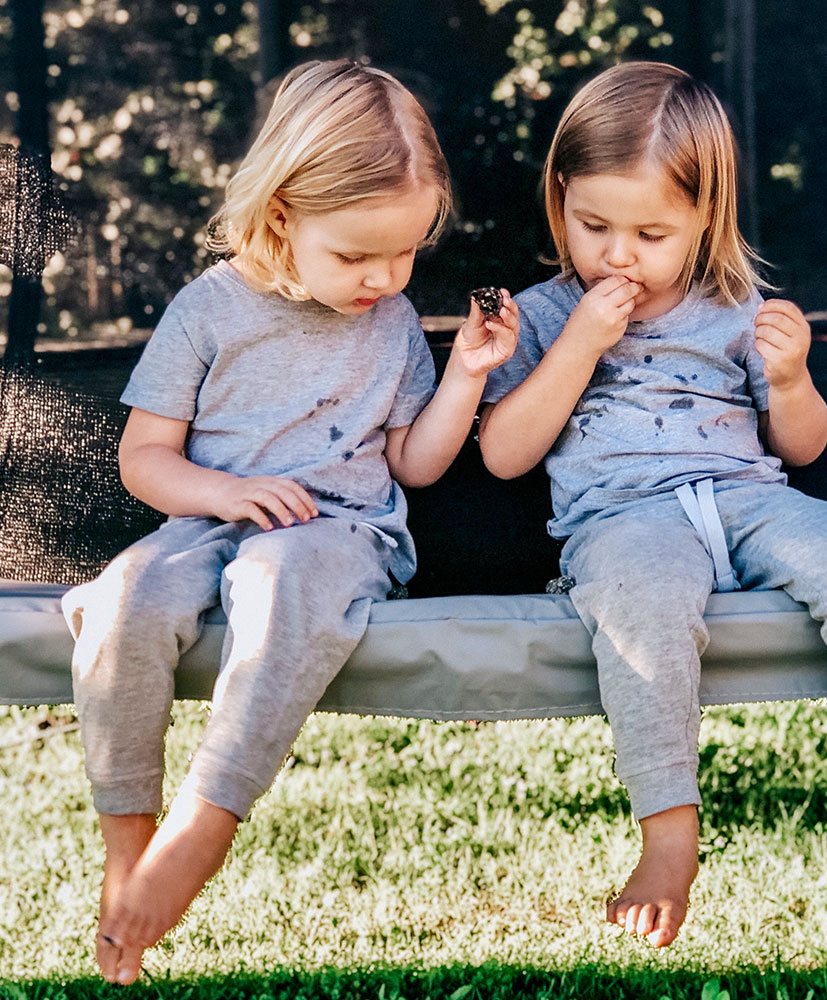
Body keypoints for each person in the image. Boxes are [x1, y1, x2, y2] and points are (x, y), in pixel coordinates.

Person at [478, 60, 827, 948]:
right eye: (594, 224)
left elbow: (802, 446)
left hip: (747, 498)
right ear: (558, 197)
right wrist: (577, 345)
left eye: (651, 232)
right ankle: (668, 841)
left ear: (702, 220)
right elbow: (503, 454)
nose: (618, 253)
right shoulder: (538, 315)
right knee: (643, 614)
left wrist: (791, 378)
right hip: (622, 521)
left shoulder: (732, 306)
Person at [63, 59, 518, 985]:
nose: (384, 278)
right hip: (207, 523)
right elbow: (143, 460)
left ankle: (206, 821)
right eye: (355, 255)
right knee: (121, 603)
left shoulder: (389, 321)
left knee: (277, 585)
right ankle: (129, 848)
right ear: (281, 215)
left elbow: (412, 463)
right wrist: (223, 494)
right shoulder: (209, 311)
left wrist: (466, 374)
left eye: (404, 254)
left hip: (340, 534)